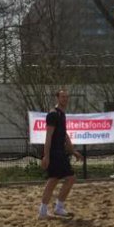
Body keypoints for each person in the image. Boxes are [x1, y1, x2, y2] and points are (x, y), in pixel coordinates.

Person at [39, 89, 83, 219]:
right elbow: (48, 136)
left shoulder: (62, 115)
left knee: (54, 180)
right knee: (69, 178)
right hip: (55, 153)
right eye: (63, 97)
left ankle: (44, 210)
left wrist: (73, 151)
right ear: (57, 98)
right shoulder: (53, 114)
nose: (65, 99)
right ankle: (56, 208)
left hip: (60, 151)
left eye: (66, 97)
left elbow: (64, 135)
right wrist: (46, 156)